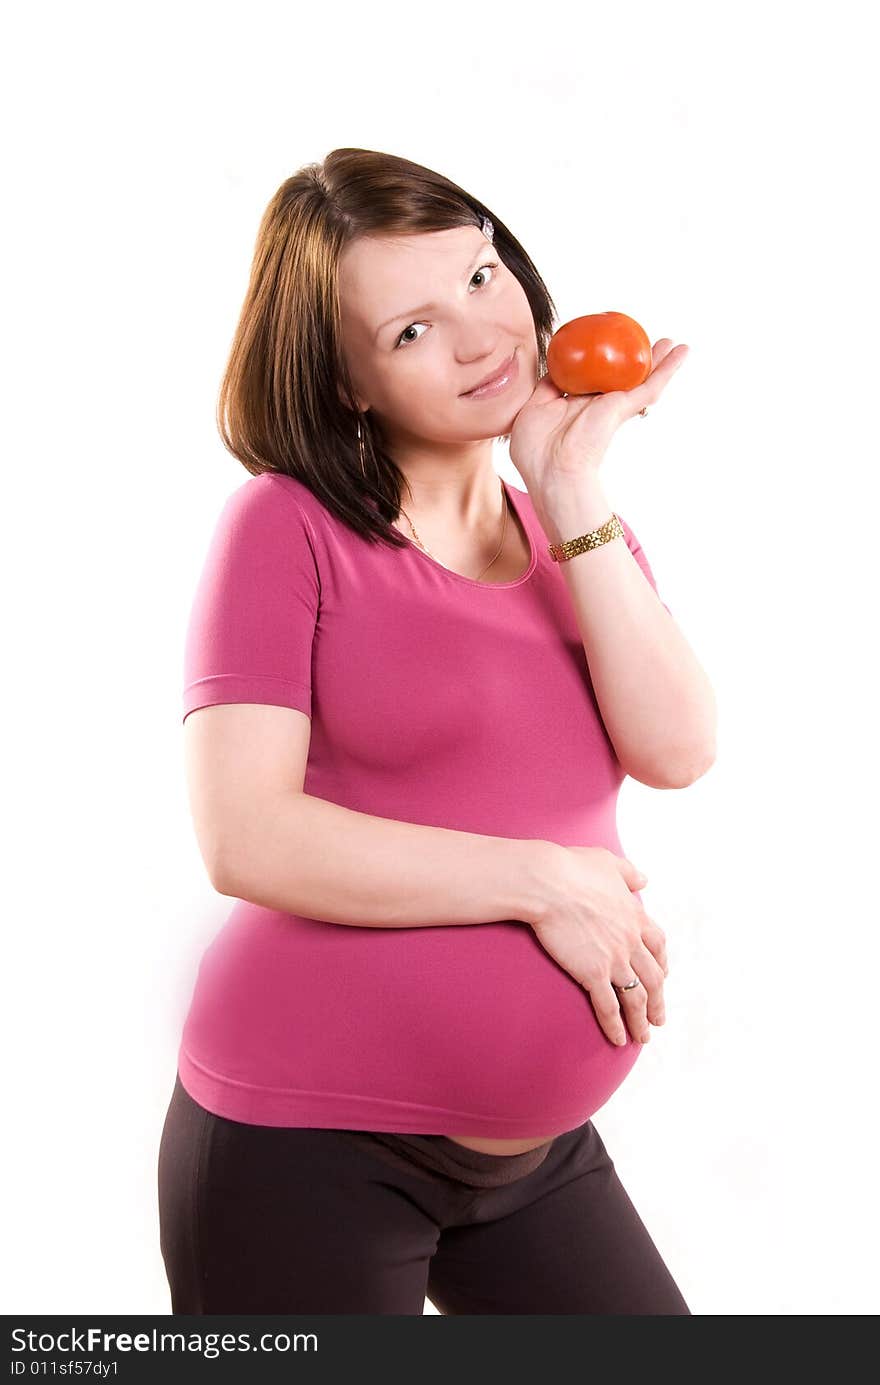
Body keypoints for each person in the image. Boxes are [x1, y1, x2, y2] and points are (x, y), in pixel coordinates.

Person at [157, 147, 714, 1315]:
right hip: (303, 1144)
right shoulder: (287, 527)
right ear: (347, 380)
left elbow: (677, 748)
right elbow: (244, 834)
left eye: (478, 273)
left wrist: (570, 489)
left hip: (536, 1163)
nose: (480, 335)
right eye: (410, 331)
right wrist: (540, 883)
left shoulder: (570, 530)